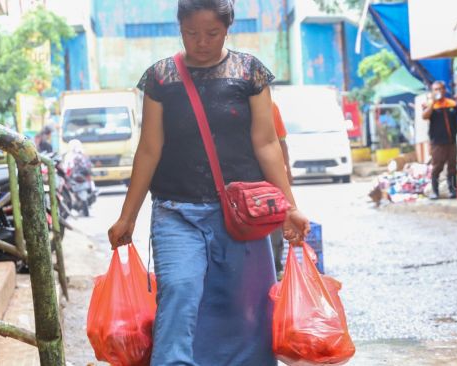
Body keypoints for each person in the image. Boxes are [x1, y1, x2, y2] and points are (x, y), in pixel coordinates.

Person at [107, 1, 310, 365]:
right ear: (180, 28)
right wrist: (128, 216)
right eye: (191, 33)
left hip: (243, 214)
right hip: (175, 211)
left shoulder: (249, 72)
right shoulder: (161, 77)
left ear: (227, 29)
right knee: (180, 290)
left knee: (247, 306)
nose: (201, 42)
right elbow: (149, 149)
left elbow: (266, 144)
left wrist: (290, 207)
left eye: (211, 34)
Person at [422, 81, 457, 200]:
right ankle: (435, 192)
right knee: (437, 168)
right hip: (437, 143)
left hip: (451, 142)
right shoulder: (431, 105)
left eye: (441, 89)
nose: (439, 91)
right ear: (432, 92)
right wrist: (432, 103)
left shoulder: (451, 104)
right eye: (436, 89)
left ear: (444, 90)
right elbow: (425, 116)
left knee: (452, 167)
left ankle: (453, 191)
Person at [270, 101, 292, 277]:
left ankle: (276, 267)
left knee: (274, 221)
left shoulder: (270, 105)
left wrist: (287, 169)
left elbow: (281, 141)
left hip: (269, 178)